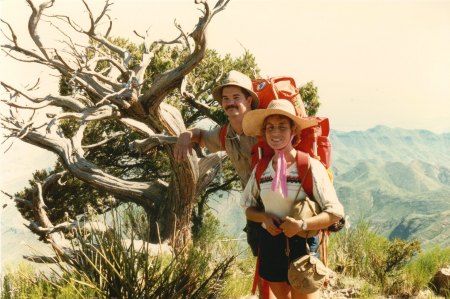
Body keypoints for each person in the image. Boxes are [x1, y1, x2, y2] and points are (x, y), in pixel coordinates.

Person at [174, 70, 275, 298]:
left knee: (286, 265)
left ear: (249, 99)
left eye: (236, 97)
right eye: (226, 99)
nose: (230, 103)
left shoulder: (264, 129)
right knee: (262, 261)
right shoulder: (226, 134)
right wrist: (185, 134)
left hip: (280, 205)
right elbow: (200, 135)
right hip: (254, 209)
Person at [241, 99, 345, 299]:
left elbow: (335, 213)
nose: (275, 133)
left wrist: (301, 224)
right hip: (271, 243)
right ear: (264, 133)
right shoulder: (262, 169)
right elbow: (247, 207)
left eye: (282, 127)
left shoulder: (310, 166)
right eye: (270, 127)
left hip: (302, 245)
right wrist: (264, 218)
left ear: (293, 132)